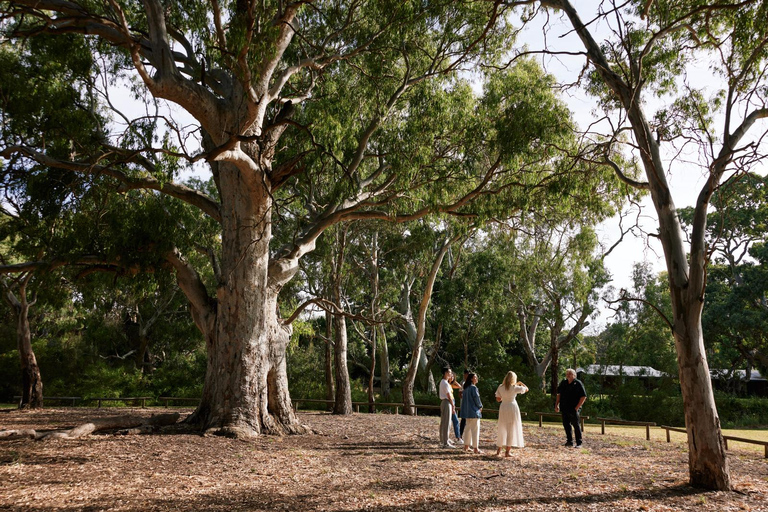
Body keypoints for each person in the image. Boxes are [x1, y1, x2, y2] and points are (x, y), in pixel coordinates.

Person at [494, 371, 528, 457]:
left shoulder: (500, 387)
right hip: (512, 406)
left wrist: (505, 398)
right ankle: (507, 451)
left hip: (503, 406)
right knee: (510, 429)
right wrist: (520, 383)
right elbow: (526, 389)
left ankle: (499, 449)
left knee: (502, 427)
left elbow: (498, 399)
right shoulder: (515, 387)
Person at [555, 368, 587, 447]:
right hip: (564, 407)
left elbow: (583, 396)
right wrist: (556, 405)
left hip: (573, 408)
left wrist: (577, 407)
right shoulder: (563, 383)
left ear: (574, 375)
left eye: (570, 374)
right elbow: (559, 395)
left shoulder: (578, 383)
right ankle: (569, 441)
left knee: (576, 425)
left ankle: (579, 443)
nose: (568, 375)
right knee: (566, 425)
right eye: (567, 374)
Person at [459, 372, 483, 454]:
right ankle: (476, 448)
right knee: (475, 430)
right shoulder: (473, 388)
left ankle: (466, 446)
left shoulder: (466, 389)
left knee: (467, 429)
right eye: (475, 377)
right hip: (473, 411)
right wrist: (480, 406)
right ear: (472, 379)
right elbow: (477, 399)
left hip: (467, 412)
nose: (477, 379)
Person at [438, 368, 456, 448]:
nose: (450, 374)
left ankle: (444, 440)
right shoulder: (445, 383)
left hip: (445, 402)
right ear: (445, 373)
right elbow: (449, 395)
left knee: (444, 422)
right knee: (446, 422)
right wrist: (453, 405)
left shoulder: (444, 382)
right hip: (446, 402)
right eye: (449, 372)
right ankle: (445, 442)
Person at [448, 371, 464, 445]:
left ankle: (448, 437)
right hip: (450, 402)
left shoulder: (450, 385)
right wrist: (453, 406)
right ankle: (458, 438)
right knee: (455, 421)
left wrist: (453, 380)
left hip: (452, 401)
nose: (452, 377)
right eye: (451, 376)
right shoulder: (446, 384)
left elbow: (459, 386)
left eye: (453, 377)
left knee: (451, 421)